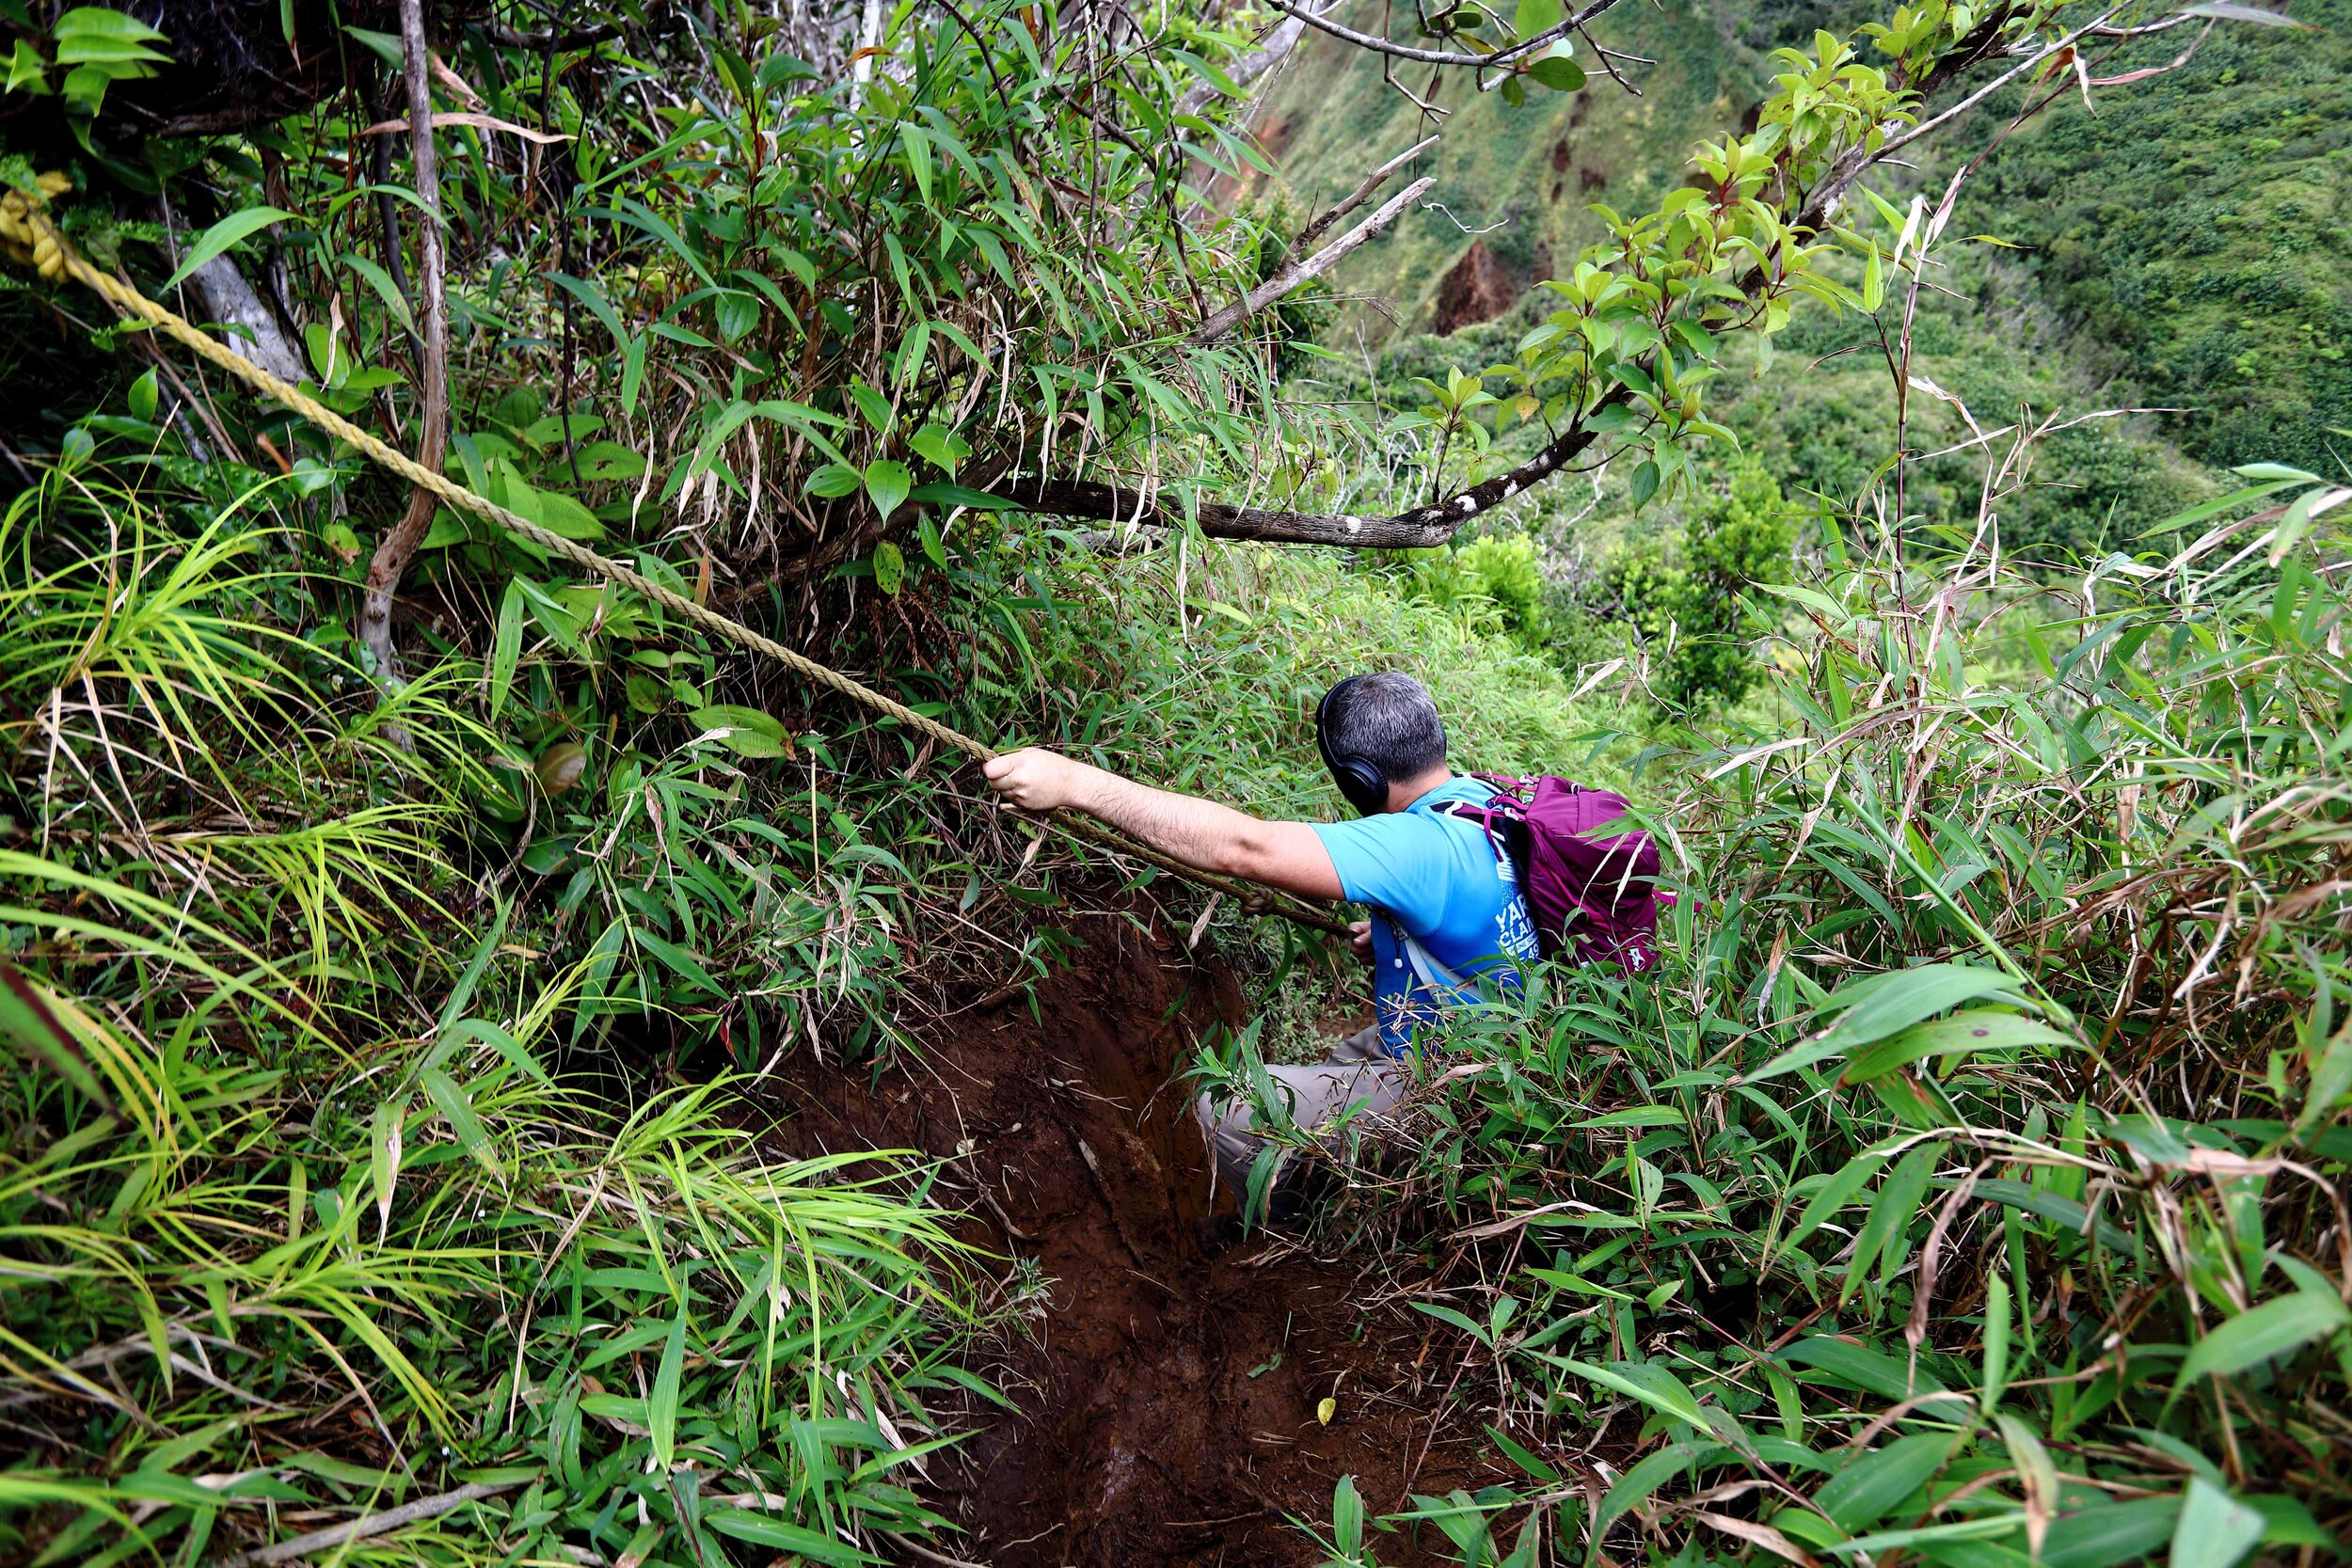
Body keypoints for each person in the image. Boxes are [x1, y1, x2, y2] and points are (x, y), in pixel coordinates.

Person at [982, 671, 1539, 1212]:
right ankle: (1349, 1164)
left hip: (1460, 1089)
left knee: (1226, 1107)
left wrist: (1078, 783)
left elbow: (1248, 849)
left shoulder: (1416, 845)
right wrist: (1408, 934)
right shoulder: (1486, 801)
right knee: (1339, 1061)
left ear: (1359, 780)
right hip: (1498, 1042)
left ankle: (1323, 1214)